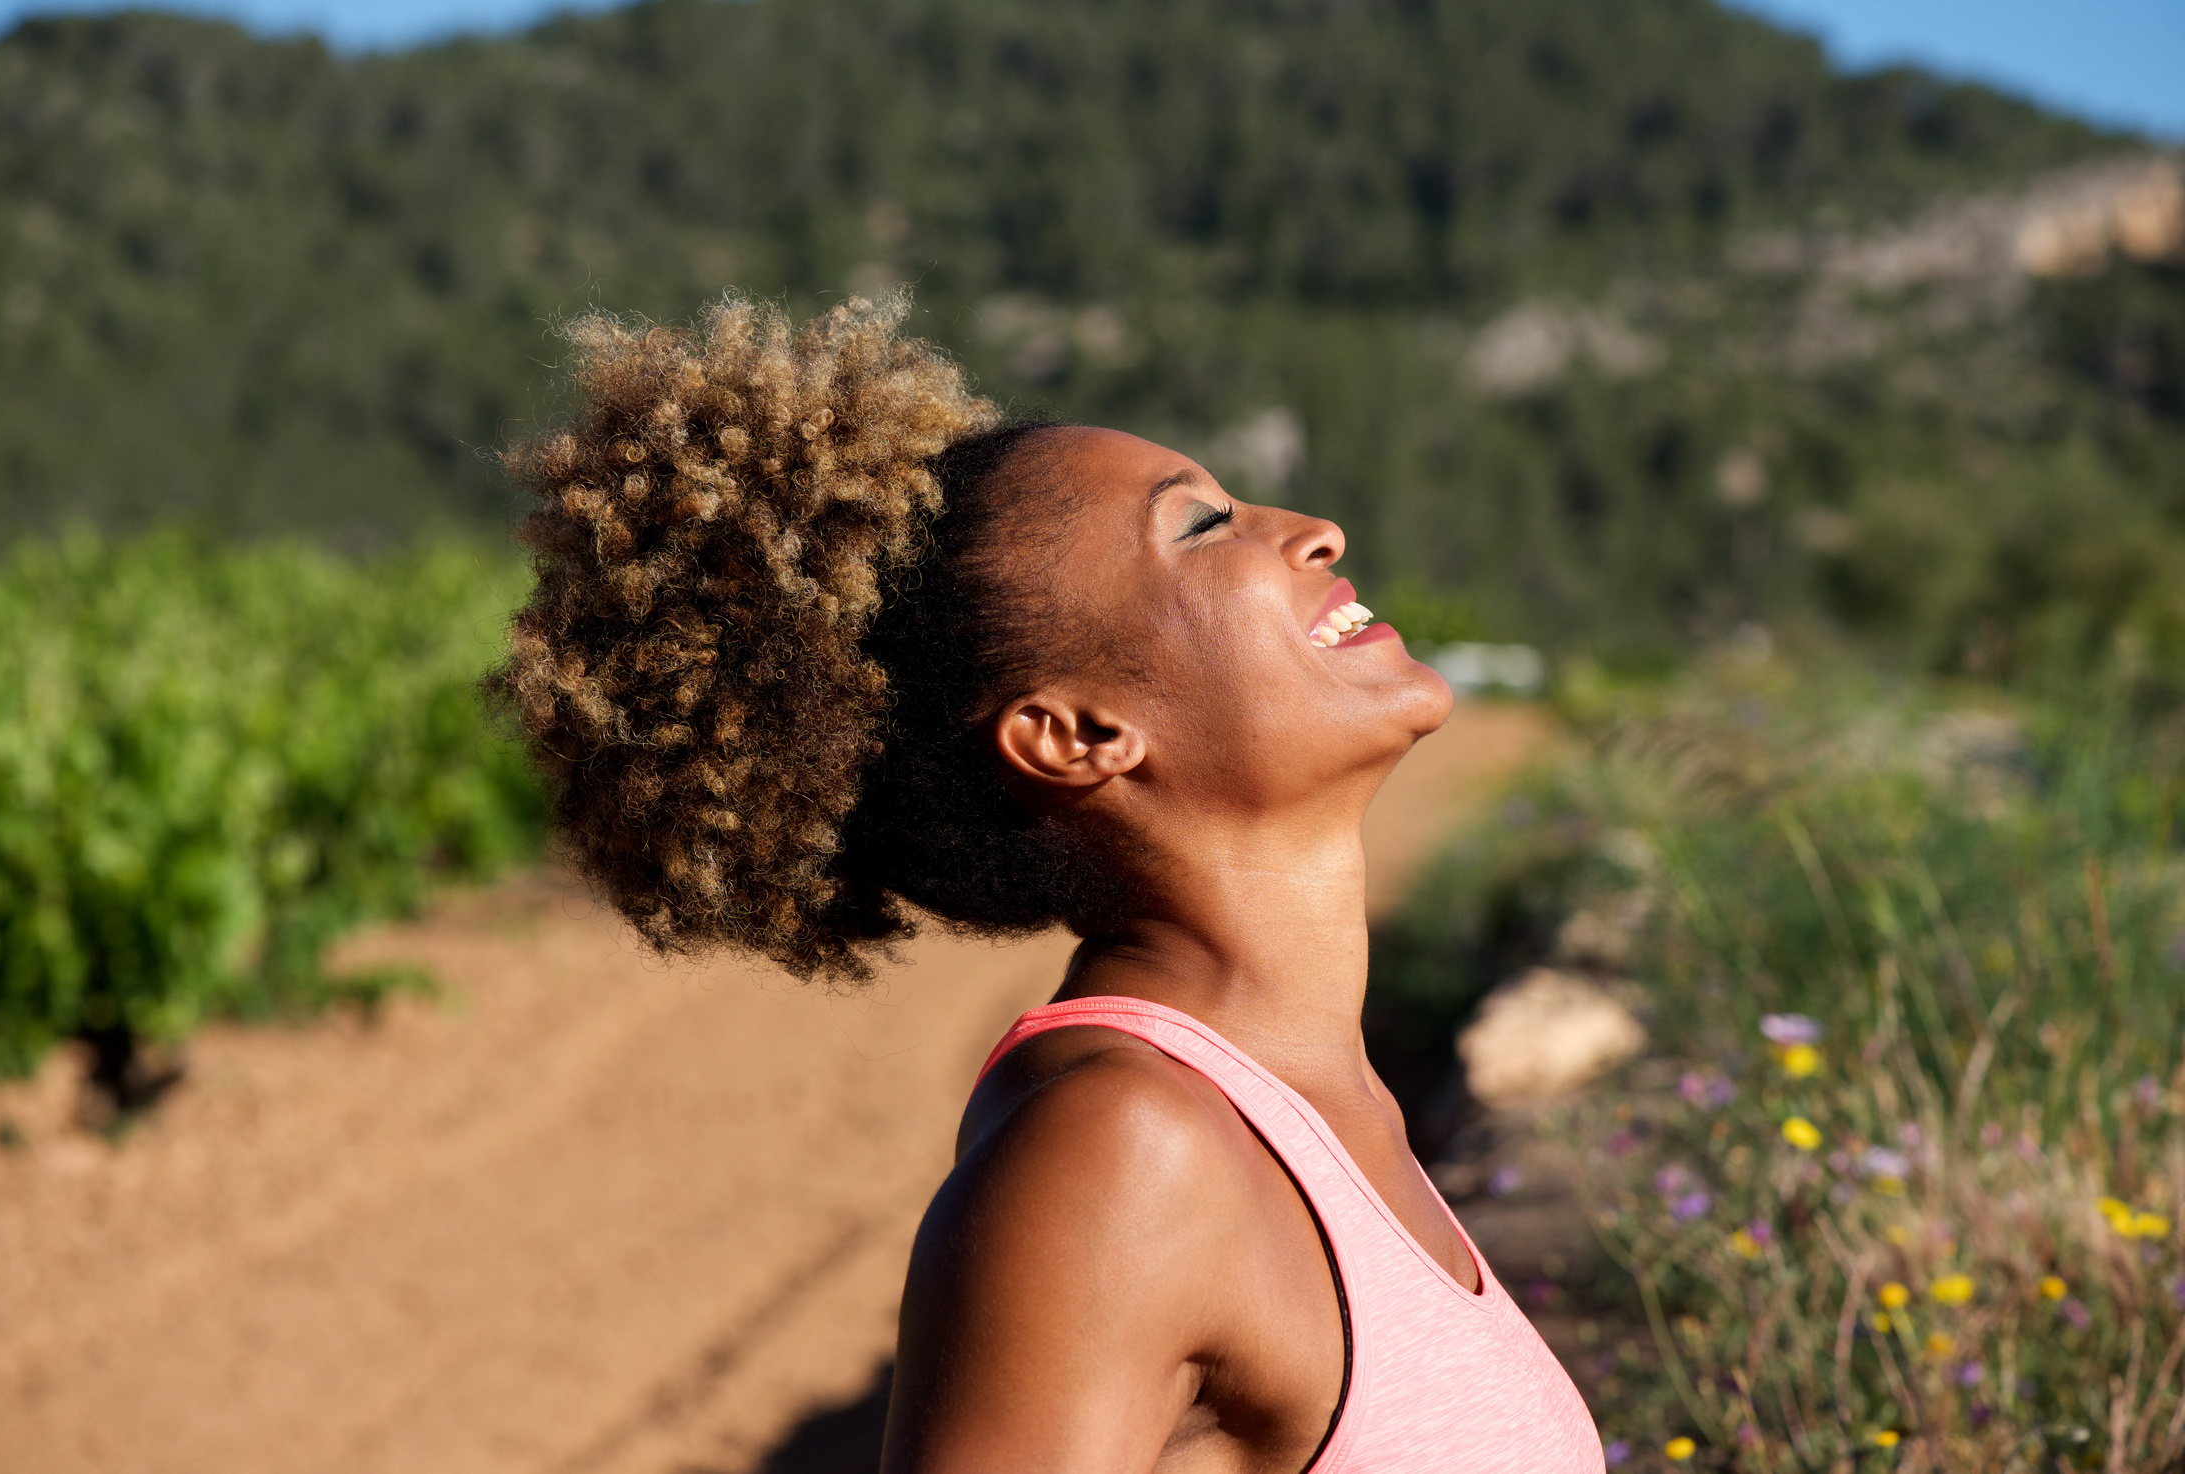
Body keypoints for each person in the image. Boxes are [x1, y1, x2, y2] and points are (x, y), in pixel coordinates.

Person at [493, 293, 1604, 1473]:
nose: (1315, 530)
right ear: (1076, 734)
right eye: (1201, 527)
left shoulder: (1326, 1106)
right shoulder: (1124, 1153)